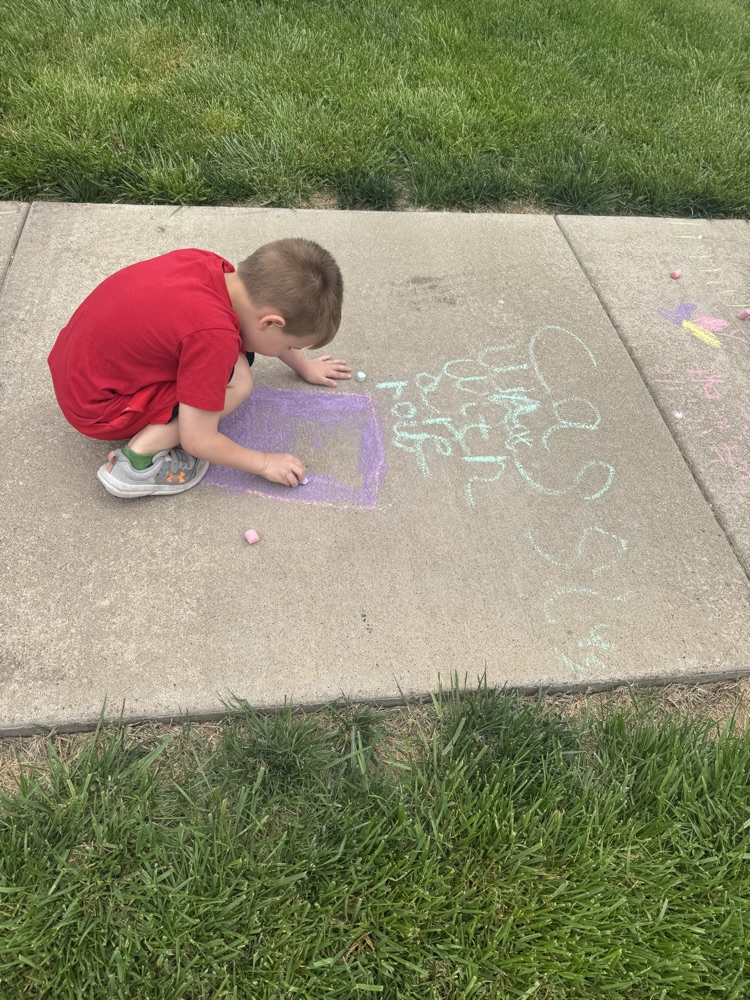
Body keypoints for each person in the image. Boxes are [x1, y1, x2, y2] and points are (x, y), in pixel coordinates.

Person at [48, 238, 349, 498]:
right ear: (270, 322)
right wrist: (265, 463)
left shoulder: (211, 266)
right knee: (239, 380)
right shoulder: (212, 336)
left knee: (237, 358)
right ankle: (137, 462)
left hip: (77, 366)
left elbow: (191, 324)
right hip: (97, 408)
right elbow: (198, 440)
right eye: (288, 346)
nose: (287, 351)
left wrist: (304, 367)